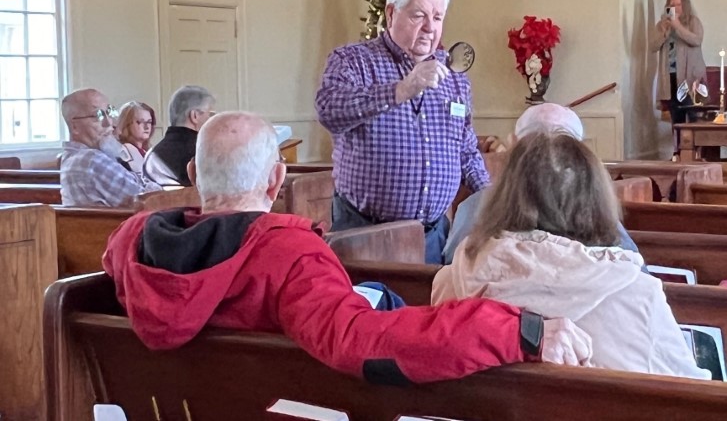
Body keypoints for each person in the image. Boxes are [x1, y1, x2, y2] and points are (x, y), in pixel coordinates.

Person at [103, 111, 593, 385]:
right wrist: (519, 330)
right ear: (276, 179)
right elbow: (365, 342)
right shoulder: (286, 256)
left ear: (193, 175)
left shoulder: (130, 246)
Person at [433, 133, 709, 379]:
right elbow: (692, 396)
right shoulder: (637, 294)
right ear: (596, 201)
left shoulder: (451, 280)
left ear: (503, 197)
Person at [315, 0, 489, 264]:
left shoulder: (454, 76)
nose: (430, 28)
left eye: (438, 17)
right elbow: (329, 110)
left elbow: (466, 150)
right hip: (366, 234)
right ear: (391, 13)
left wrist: (491, 196)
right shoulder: (353, 61)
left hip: (433, 235)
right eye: (419, 16)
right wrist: (401, 89)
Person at [442, 103, 640, 264]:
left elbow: (451, 264)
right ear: (580, 154)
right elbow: (633, 265)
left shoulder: (476, 205)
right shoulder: (597, 207)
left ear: (512, 144)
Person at [60, 88, 161, 207]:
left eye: (109, 112)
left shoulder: (70, 158)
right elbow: (148, 199)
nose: (109, 123)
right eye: (98, 115)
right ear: (74, 126)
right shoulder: (92, 160)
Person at [649, 0, 706, 156]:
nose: (675, 8)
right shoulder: (662, 24)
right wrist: (665, 30)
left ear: (684, 6)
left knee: (693, 116)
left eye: (678, 4)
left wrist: (677, 26)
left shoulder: (693, 22)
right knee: (677, 117)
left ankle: (698, 153)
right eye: (671, 5)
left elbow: (696, 40)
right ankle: (678, 153)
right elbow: (653, 46)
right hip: (671, 78)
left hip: (690, 79)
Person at [143, 85, 215, 186]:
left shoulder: (151, 155)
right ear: (194, 116)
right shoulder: (205, 154)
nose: (211, 120)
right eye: (210, 114)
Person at [115, 101, 155, 175]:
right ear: (126, 123)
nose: (146, 127)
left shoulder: (146, 152)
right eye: (140, 122)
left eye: (149, 122)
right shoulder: (121, 154)